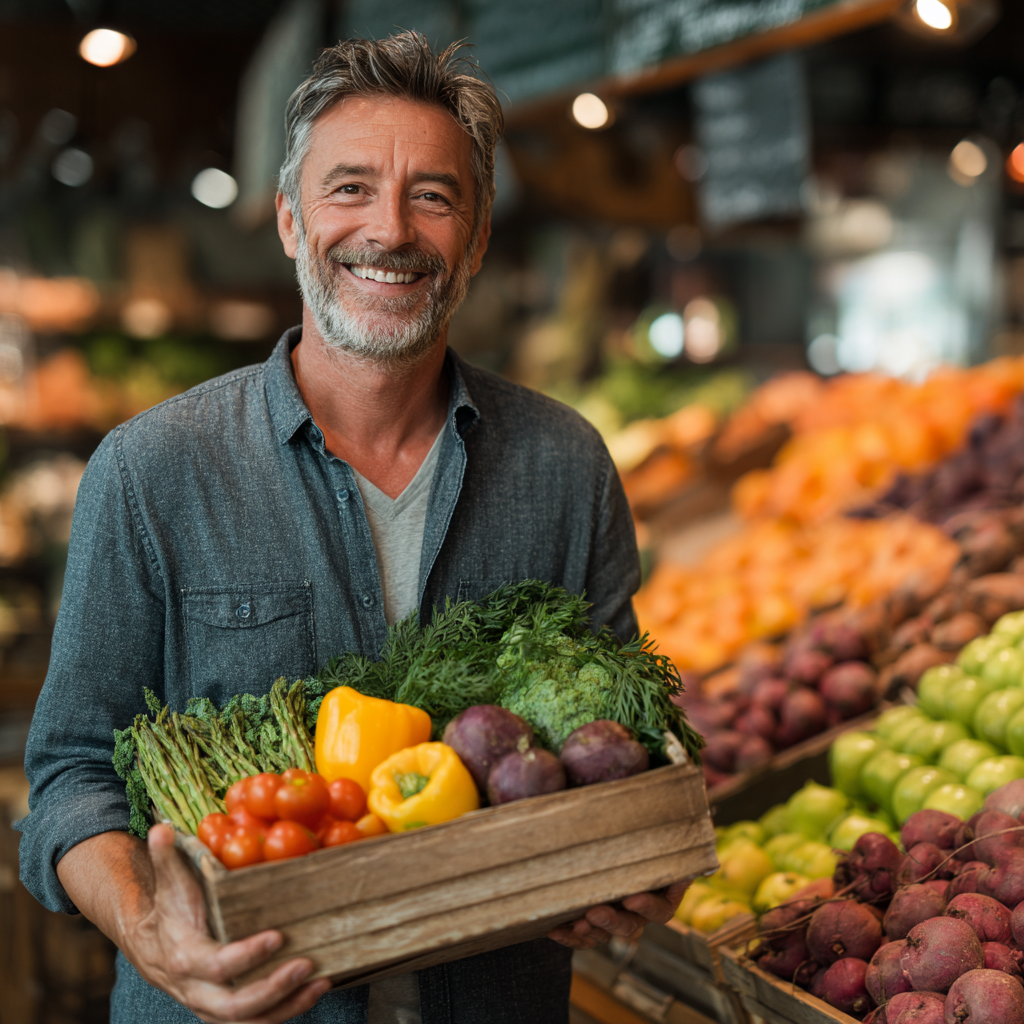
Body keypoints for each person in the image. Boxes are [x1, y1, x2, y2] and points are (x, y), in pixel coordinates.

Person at [17, 32, 688, 1024]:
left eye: (434, 195)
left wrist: (642, 854)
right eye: (349, 189)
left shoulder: (562, 464)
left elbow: (623, 734)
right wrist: (148, 930)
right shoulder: (154, 468)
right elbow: (72, 774)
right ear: (289, 221)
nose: (391, 230)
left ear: (478, 235)